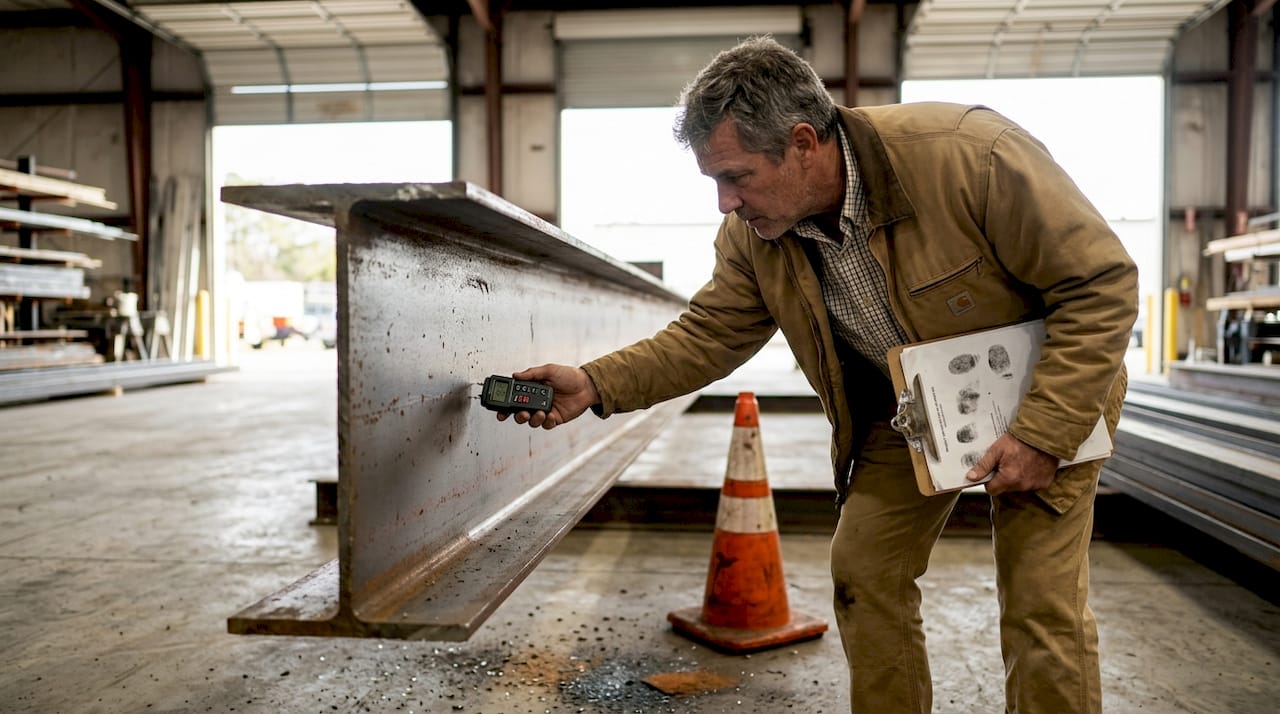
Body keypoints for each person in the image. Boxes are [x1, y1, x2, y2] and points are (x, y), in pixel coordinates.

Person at [498, 36, 1137, 714]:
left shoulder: (969, 156)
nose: (725, 202)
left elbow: (1101, 285)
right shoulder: (754, 236)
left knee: (1040, 604)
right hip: (909, 408)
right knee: (865, 572)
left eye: (737, 177)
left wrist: (1042, 432)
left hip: (1044, 392)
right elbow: (710, 334)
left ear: (803, 142)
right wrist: (594, 384)